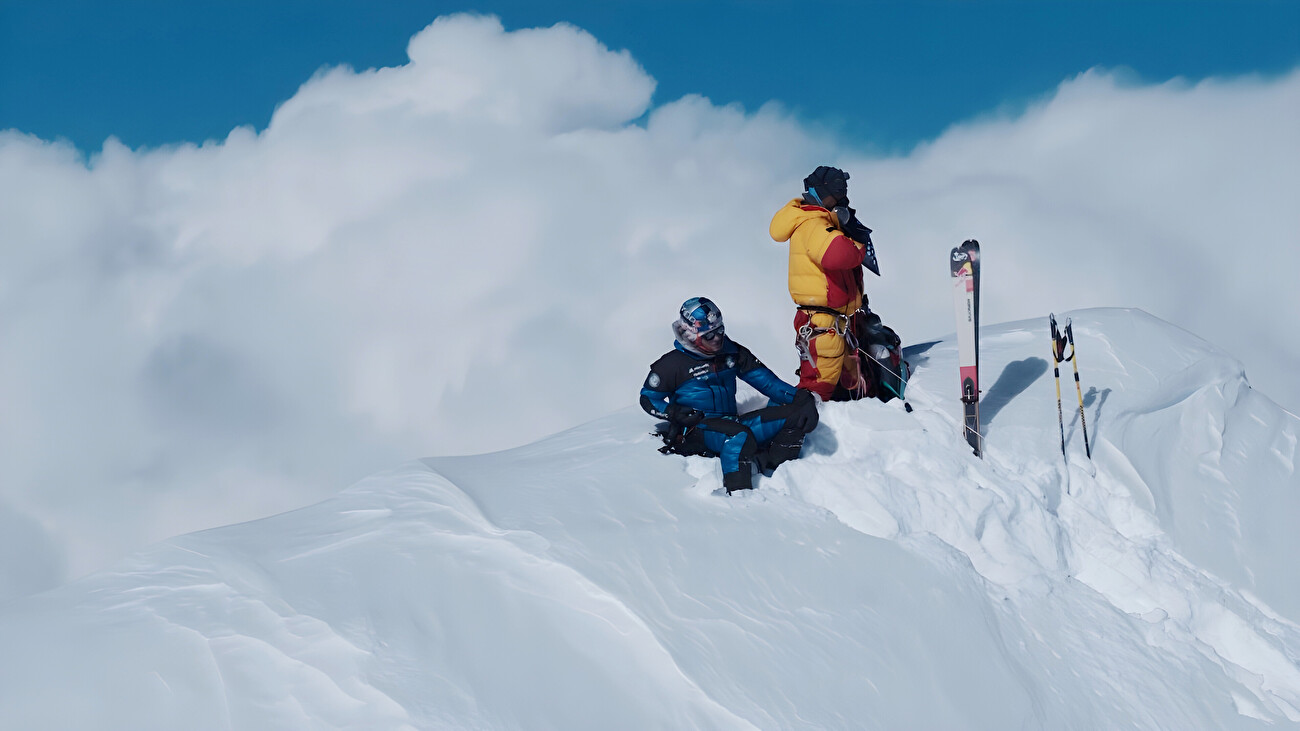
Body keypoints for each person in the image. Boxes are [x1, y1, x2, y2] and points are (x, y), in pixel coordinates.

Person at [640, 297, 819, 493]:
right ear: (691, 335)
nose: (717, 339)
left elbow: (768, 383)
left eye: (720, 331)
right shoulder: (672, 364)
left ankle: (775, 476)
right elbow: (648, 398)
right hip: (699, 429)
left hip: (732, 421)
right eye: (709, 335)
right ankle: (738, 497)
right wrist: (673, 412)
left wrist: (801, 398)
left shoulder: (731, 352)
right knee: (737, 435)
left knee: (796, 415)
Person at [769, 165, 881, 401]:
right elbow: (838, 255)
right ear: (823, 192)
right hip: (824, 324)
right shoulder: (814, 224)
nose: (842, 199)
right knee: (817, 389)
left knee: (846, 386)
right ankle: (801, 430)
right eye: (838, 193)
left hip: (835, 322)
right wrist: (857, 243)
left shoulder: (820, 223)